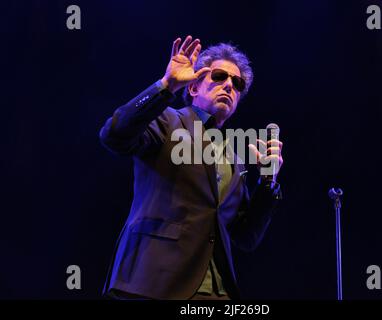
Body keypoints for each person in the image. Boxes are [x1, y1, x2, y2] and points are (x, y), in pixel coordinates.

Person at [99, 35, 284, 300]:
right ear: (194, 87)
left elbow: (245, 237)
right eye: (219, 76)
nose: (229, 85)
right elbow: (113, 135)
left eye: (237, 83)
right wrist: (165, 86)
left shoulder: (233, 155)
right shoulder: (167, 121)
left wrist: (267, 182)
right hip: (154, 284)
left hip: (217, 292)